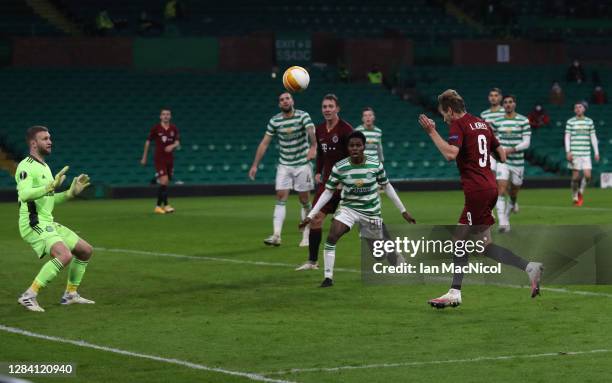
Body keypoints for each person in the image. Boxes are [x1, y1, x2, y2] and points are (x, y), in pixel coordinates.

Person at [418, 89, 542, 308]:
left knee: (459, 241)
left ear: (449, 110)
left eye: (443, 114)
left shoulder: (459, 124)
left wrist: (431, 132)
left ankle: (455, 292)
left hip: (476, 191)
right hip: (489, 187)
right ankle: (529, 267)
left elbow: (450, 154)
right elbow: (501, 154)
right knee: (483, 246)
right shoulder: (482, 123)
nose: (443, 118)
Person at [299, 131, 416, 287]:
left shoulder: (375, 165)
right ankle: (328, 278)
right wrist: (311, 215)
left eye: (358, 145)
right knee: (332, 237)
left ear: (364, 147)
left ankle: (398, 259)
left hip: (371, 211)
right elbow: (328, 192)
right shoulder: (340, 167)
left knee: (378, 253)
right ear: (347, 148)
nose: (355, 148)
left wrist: (403, 211)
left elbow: (387, 187)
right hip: (348, 209)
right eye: (351, 145)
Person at [16, 126, 94, 312]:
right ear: (34, 144)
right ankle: (29, 295)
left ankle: (70, 295)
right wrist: (49, 187)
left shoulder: (45, 167)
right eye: (45, 138)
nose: (50, 141)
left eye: (50, 138)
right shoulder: (25, 165)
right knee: (64, 255)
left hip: (47, 221)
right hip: (32, 223)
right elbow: (24, 194)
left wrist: (70, 193)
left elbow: (49, 200)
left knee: (85, 250)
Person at [249, 92, 316, 247]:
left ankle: (307, 235)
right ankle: (276, 235)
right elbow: (264, 143)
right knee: (280, 197)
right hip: (285, 164)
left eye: (287, 98)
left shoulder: (302, 115)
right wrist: (255, 165)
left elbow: (311, 131)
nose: (285, 101)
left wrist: (313, 146)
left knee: (304, 199)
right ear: (279, 104)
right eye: (282, 100)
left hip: (302, 163)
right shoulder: (275, 121)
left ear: (292, 101)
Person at [295, 94, 353, 271]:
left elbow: (354, 156)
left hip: (346, 185)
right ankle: (312, 262)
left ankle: (392, 256)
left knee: (364, 224)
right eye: (324, 107)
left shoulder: (346, 130)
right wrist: (318, 171)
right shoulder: (319, 130)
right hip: (327, 184)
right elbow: (320, 153)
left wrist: (347, 180)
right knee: (316, 219)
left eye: (330, 106)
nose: (327, 109)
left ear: (337, 109)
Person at [490, 95, 531, 232]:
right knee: (501, 188)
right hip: (503, 161)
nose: (508, 104)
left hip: (518, 162)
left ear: (514, 104)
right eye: (506, 102)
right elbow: (494, 139)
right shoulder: (497, 121)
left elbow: (526, 143)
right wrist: (498, 151)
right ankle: (503, 222)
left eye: (510, 102)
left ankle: (512, 205)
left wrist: (511, 149)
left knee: (514, 192)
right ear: (503, 105)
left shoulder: (523, 120)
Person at [140, 108, 181, 214]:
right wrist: (144, 157)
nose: (166, 116)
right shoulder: (156, 128)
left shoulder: (174, 128)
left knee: (166, 182)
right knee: (164, 180)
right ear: (160, 116)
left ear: (170, 116)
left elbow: (177, 142)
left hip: (170, 159)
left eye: (168, 114)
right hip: (159, 158)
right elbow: (148, 142)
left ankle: (164, 206)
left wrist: (172, 145)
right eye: (164, 114)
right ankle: (160, 206)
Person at [565, 102, 599, 206]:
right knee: (575, 178)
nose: (577, 109)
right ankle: (574, 195)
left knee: (588, 176)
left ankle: (580, 191)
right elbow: (567, 137)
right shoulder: (570, 122)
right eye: (576, 107)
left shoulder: (589, 121)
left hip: (586, 153)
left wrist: (596, 152)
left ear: (584, 109)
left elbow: (593, 137)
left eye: (580, 107)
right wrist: (568, 151)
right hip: (575, 153)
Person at [480, 87, 505, 171]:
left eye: (496, 95)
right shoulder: (484, 114)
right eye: (491, 95)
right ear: (488, 97)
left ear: (500, 97)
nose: (493, 98)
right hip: (490, 148)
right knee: (491, 173)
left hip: (504, 146)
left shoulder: (505, 112)